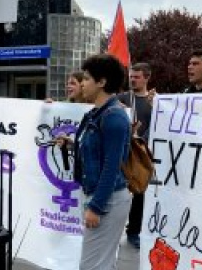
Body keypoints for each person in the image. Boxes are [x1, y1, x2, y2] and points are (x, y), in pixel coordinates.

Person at [57, 54, 131, 270]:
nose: (82, 83)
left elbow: (112, 166)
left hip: (106, 200)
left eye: (87, 78)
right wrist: (72, 144)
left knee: (92, 266)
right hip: (97, 195)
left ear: (102, 82)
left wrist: (96, 206)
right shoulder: (95, 114)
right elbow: (97, 150)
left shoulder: (113, 116)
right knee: (101, 263)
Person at [117, 63, 153, 249]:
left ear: (147, 78)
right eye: (131, 76)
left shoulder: (154, 101)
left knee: (139, 192)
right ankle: (115, 229)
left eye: (137, 77)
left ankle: (134, 231)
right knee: (118, 191)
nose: (132, 79)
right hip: (121, 152)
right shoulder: (121, 98)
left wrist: (142, 139)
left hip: (142, 154)